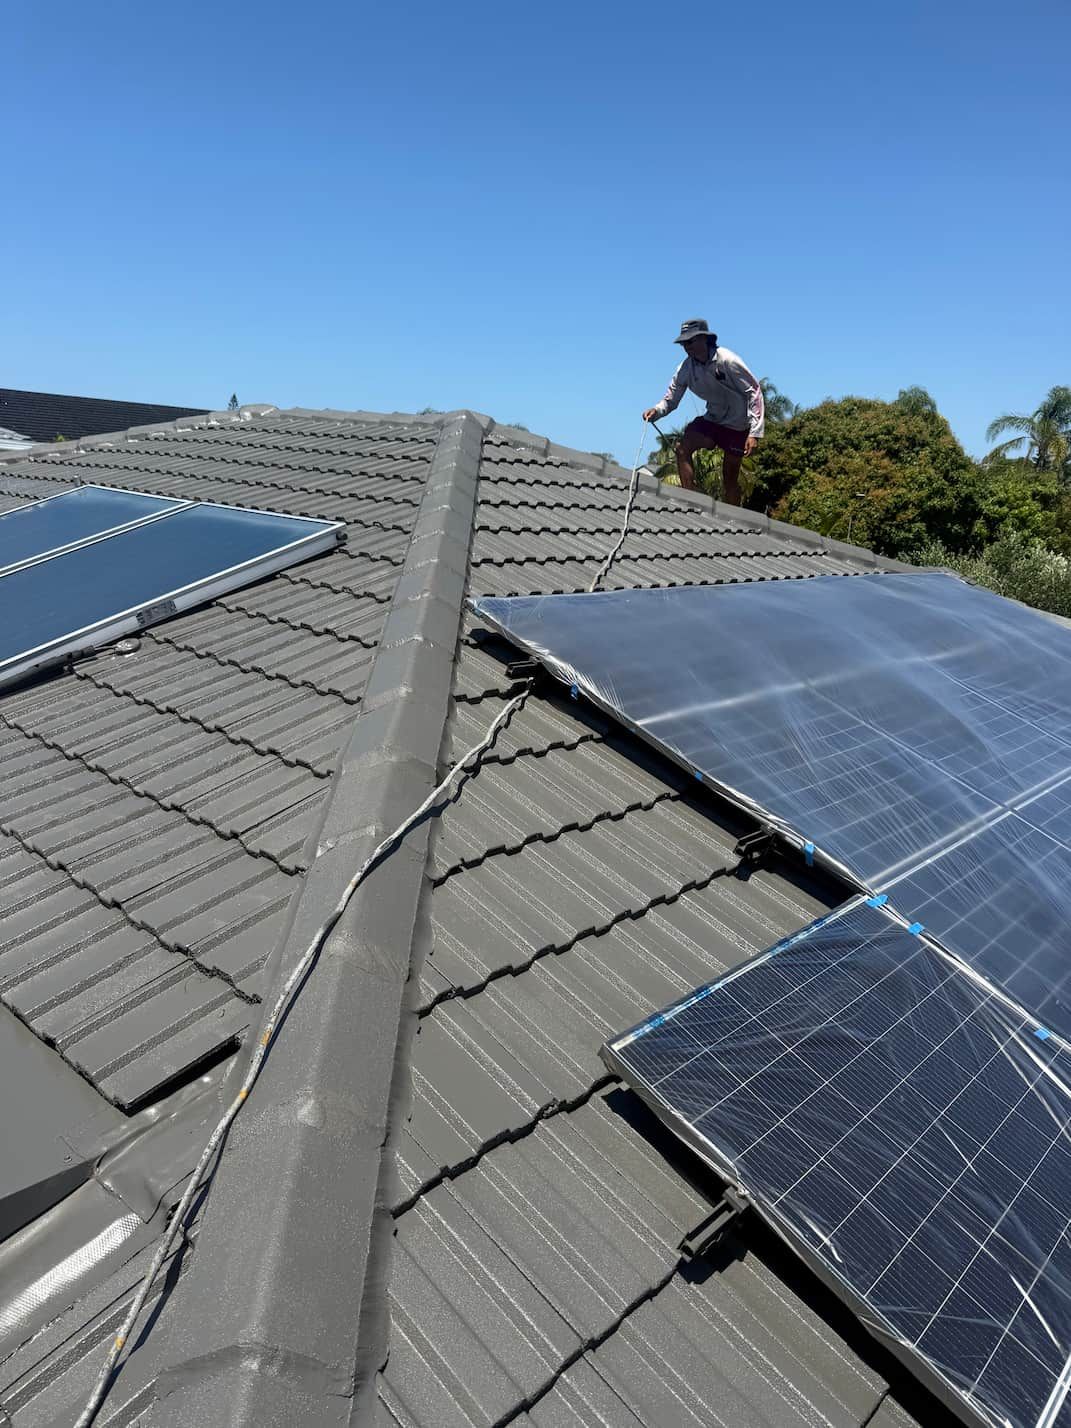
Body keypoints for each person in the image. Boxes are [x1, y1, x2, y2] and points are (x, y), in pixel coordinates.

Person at [643, 318, 764, 503]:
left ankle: (735, 520)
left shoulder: (727, 360)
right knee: (682, 449)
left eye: (691, 341)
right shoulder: (685, 368)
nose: (687, 346)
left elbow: (754, 392)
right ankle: (689, 501)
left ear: (704, 339)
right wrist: (656, 411)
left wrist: (754, 433)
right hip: (712, 419)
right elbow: (671, 398)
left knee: (729, 479)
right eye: (684, 343)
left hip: (737, 425)